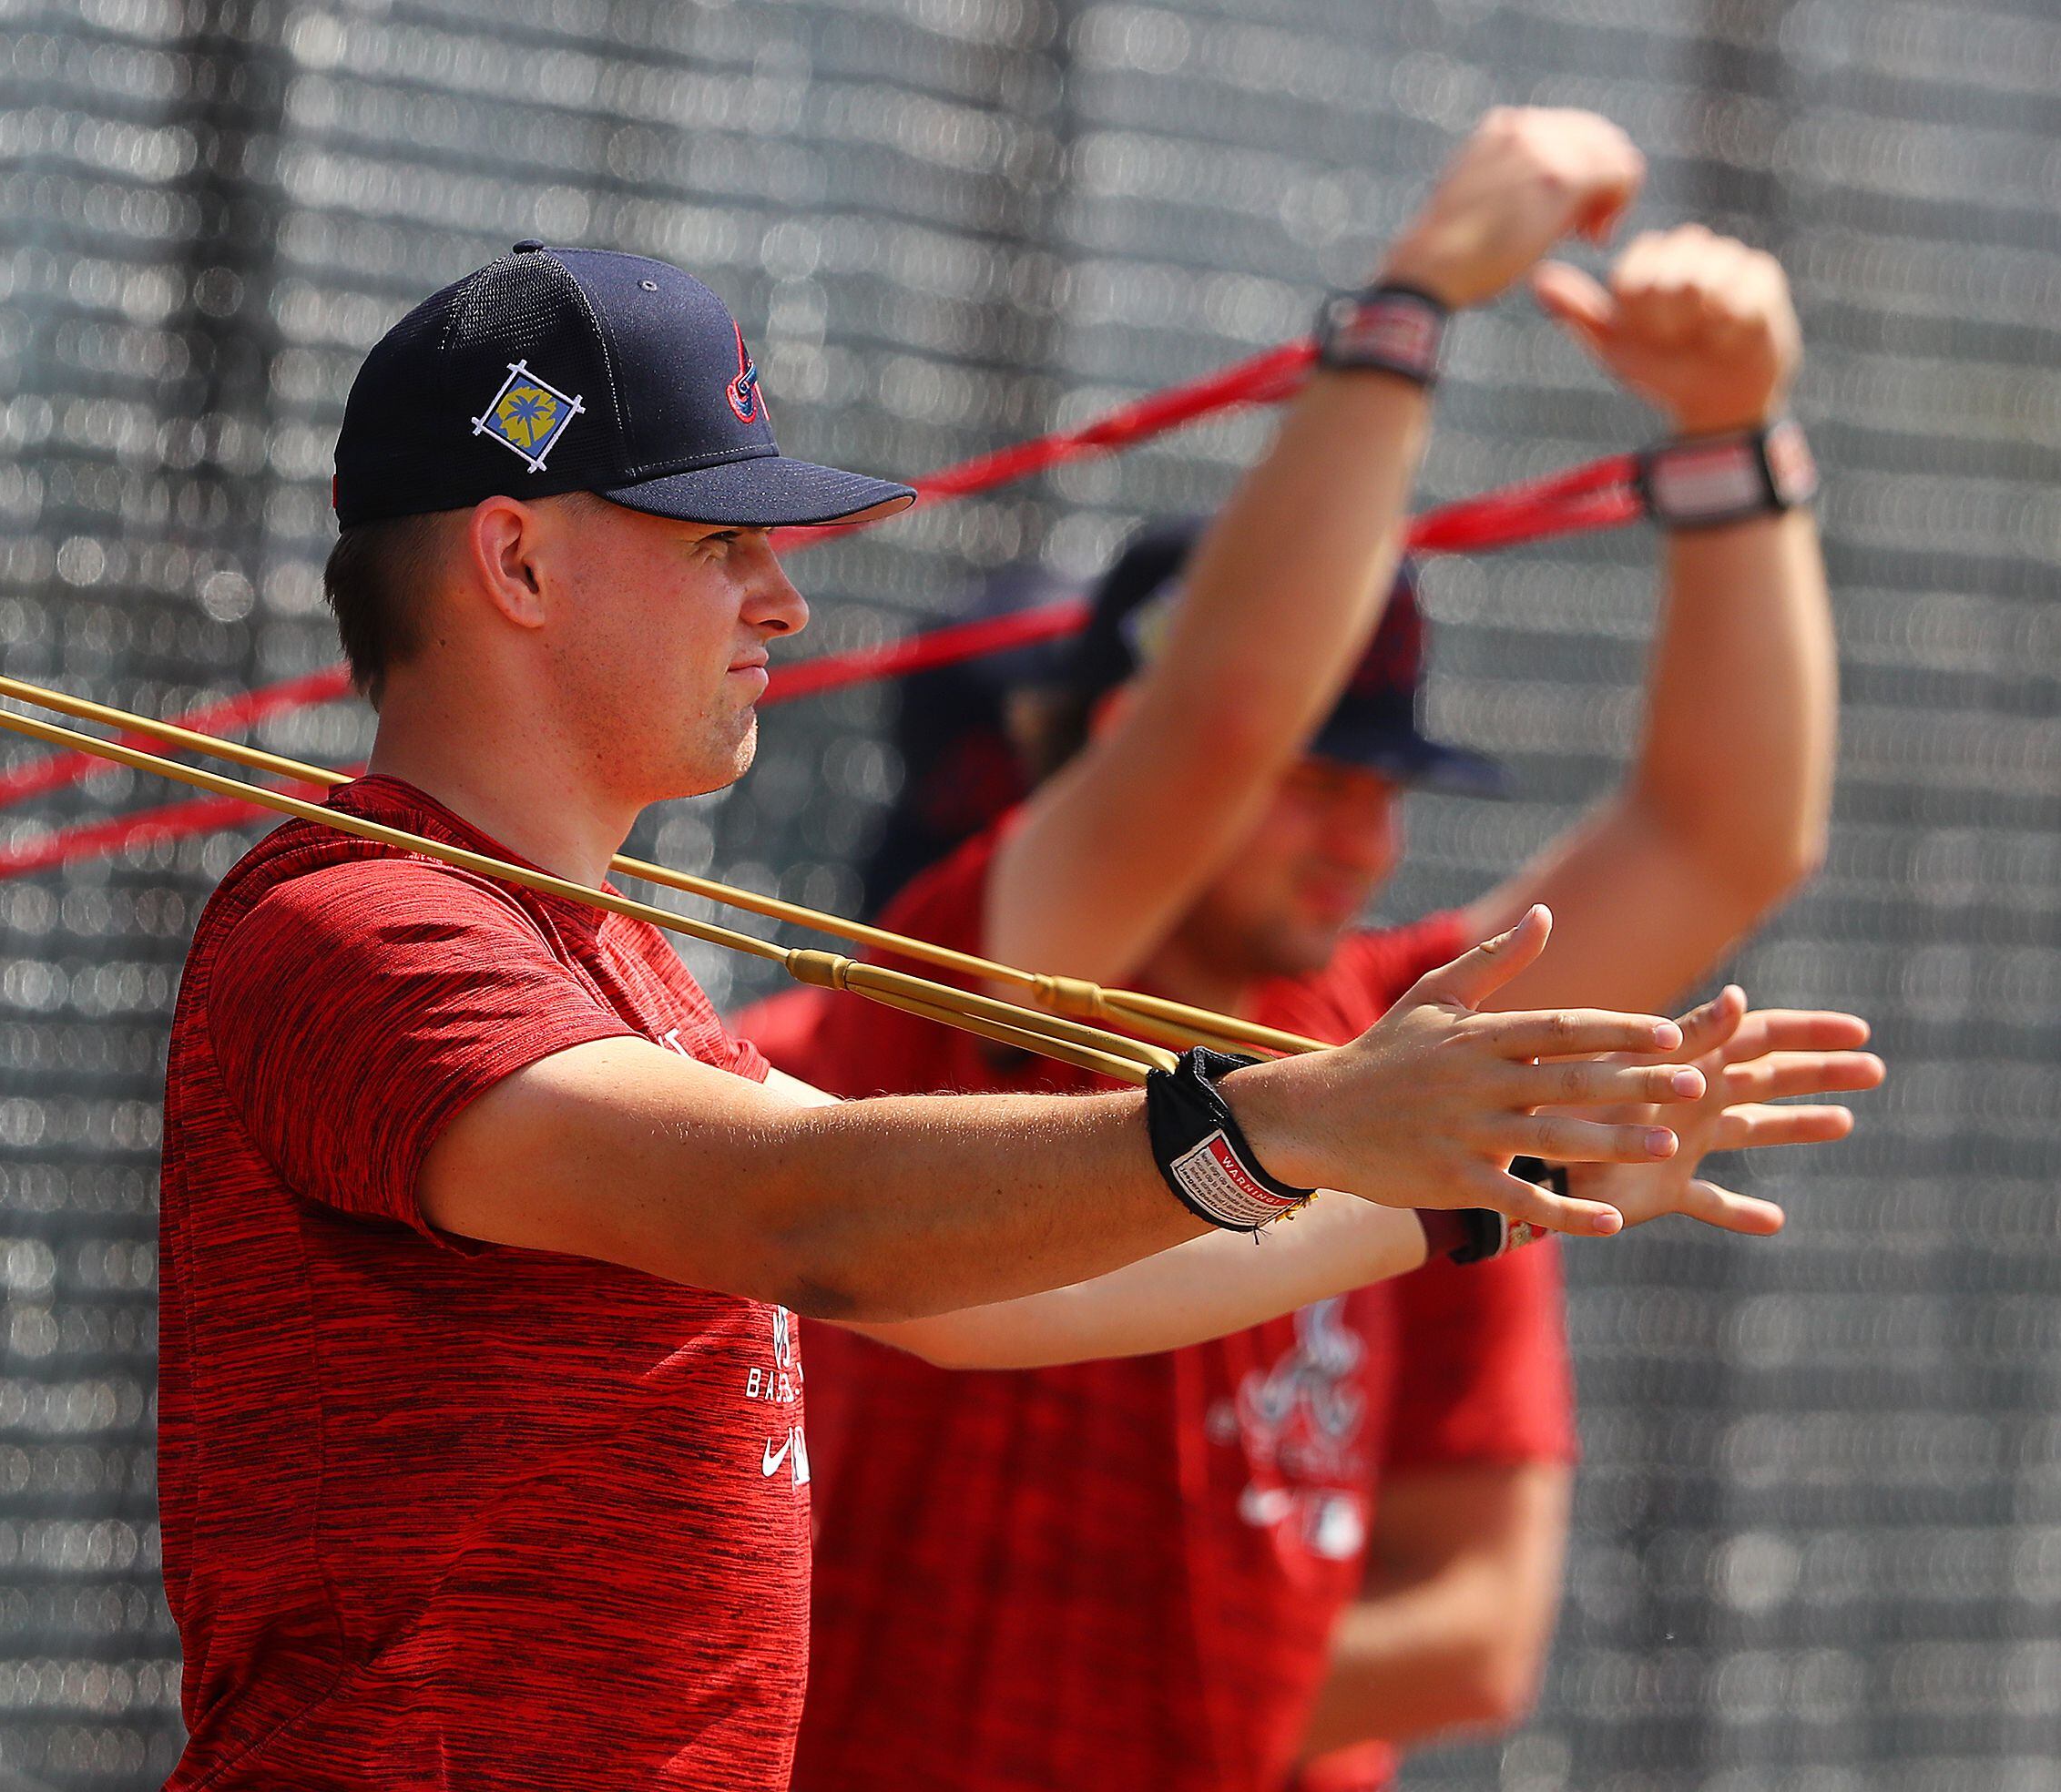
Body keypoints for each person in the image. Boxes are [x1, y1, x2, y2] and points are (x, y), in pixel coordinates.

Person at [153, 125, 1865, 1791]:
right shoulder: (359, 926)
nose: (782, 604)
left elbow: (993, 1303)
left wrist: (1452, 1187)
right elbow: (806, 1213)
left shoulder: (613, 966)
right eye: (715, 543)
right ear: (515, 557)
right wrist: (1289, 1129)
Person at [745, 215, 1876, 1790]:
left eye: (1384, 782)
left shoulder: (1416, 1063)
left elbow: (1722, 838)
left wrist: (1731, 441)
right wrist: (1417, 297)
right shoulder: (971, 990)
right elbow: (1214, 725)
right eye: (1314, 774)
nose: (1360, 829)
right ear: (1120, 733)